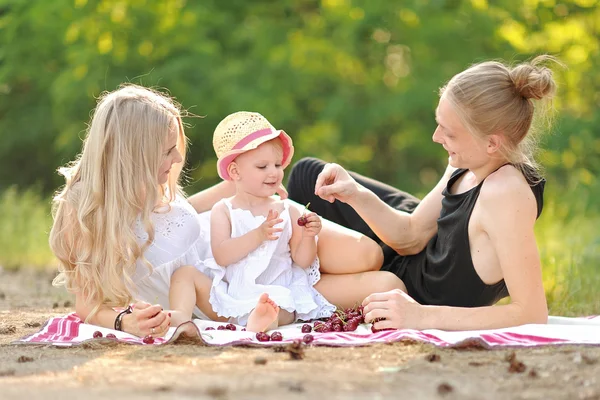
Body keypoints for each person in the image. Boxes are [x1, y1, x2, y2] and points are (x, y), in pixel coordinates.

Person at [49, 85, 401, 338]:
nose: (177, 161)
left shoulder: (150, 186)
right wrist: (124, 321)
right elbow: (87, 303)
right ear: (134, 153)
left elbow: (188, 212)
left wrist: (245, 183)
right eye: (167, 151)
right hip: (221, 289)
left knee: (368, 253)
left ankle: (425, 254)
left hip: (252, 232)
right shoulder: (82, 210)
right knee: (386, 284)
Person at [286, 56, 558, 331]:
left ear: (492, 143)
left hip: (404, 287)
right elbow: (411, 237)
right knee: (308, 175)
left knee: (296, 215)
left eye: (449, 133)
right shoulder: (468, 162)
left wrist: (422, 317)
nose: (436, 137)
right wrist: (354, 194)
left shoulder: (507, 194)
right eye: (439, 123)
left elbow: (531, 313)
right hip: (411, 252)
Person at [168, 111, 409, 332]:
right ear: (235, 173)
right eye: (262, 166)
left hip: (277, 291)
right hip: (231, 292)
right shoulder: (225, 209)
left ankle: (262, 321)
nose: (273, 173)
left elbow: (302, 261)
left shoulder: (286, 210)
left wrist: (308, 236)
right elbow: (222, 255)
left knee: (280, 308)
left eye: (277, 165)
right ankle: (180, 316)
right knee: (184, 274)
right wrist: (258, 235)